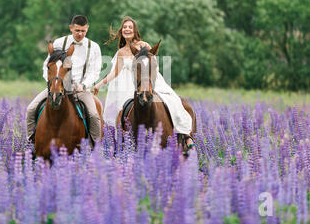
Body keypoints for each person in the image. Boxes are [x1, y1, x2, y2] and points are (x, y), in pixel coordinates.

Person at [92, 16, 194, 148]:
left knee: (173, 100)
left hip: (146, 79)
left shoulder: (143, 46)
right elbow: (114, 73)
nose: (127, 29)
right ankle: (120, 147)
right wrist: (99, 85)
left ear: (135, 31)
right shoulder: (121, 52)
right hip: (126, 85)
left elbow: (153, 64)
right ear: (121, 31)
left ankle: (186, 135)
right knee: (119, 113)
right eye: (125, 27)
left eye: (130, 27)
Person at [26, 15, 102, 144]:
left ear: (87, 28)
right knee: (31, 109)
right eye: (77, 30)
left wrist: (82, 85)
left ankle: (95, 147)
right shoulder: (59, 43)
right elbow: (47, 66)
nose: (80, 33)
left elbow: (94, 72)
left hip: (80, 89)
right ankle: (31, 142)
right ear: (71, 28)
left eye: (83, 31)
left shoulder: (93, 47)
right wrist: (51, 83)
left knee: (94, 115)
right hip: (56, 86)